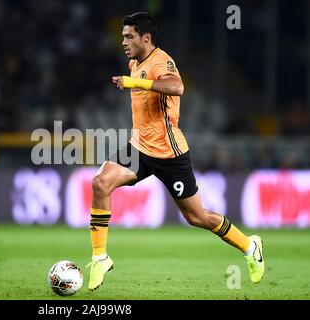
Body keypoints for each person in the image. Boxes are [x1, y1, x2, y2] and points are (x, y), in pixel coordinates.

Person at [86, 12, 264, 291]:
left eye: (128, 36)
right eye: (122, 36)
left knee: (197, 217)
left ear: (146, 38)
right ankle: (100, 258)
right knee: (100, 183)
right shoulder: (134, 61)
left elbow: (177, 87)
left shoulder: (162, 61)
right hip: (140, 148)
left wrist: (136, 82)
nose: (123, 42)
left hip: (170, 154)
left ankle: (250, 245)